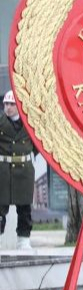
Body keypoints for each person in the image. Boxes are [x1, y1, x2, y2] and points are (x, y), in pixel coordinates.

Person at [0, 90, 36, 250]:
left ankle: (23, 240)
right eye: (6, 104)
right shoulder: (1, 121)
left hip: (24, 171)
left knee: (25, 208)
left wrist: (27, 156)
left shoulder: (30, 122)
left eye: (12, 104)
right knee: (0, 208)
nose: (8, 107)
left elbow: (38, 144)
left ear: (19, 105)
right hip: (3, 171)